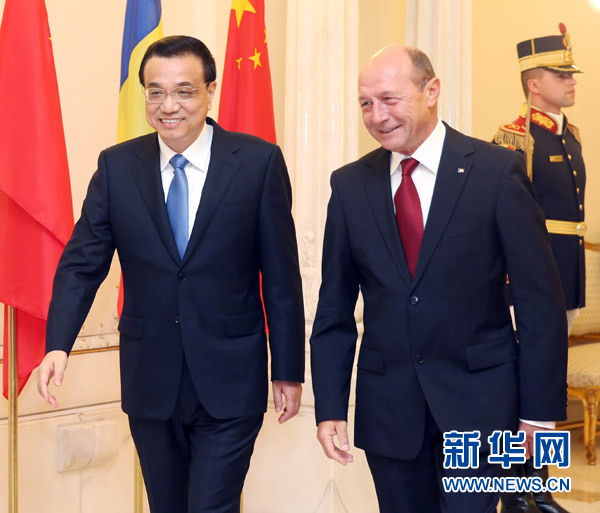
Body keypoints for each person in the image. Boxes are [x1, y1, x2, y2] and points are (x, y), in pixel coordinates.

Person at [36, 35, 305, 513]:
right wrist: (58, 343)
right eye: (155, 92)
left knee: (210, 506)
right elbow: (82, 263)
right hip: (151, 378)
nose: (168, 106)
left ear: (210, 91)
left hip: (231, 378)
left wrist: (287, 369)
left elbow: (282, 277)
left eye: (184, 91)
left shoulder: (258, 163)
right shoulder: (117, 167)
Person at [310, 44, 568, 513]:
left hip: (482, 411)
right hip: (390, 413)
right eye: (366, 103)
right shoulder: (349, 186)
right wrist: (329, 408)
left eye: (389, 99)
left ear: (431, 91)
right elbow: (334, 310)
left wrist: (539, 415)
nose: (377, 116)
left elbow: (539, 304)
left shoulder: (495, 172)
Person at [493, 24, 585, 513]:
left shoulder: (571, 136)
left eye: (571, 74)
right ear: (533, 83)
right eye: (560, 74)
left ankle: (540, 488)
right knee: (521, 384)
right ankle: (515, 490)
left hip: (566, 275)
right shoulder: (516, 137)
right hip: (528, 282)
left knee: (549, 380)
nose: (571, 81)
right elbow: (504, 218)